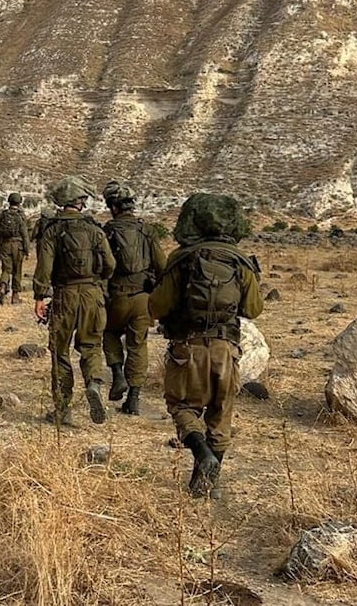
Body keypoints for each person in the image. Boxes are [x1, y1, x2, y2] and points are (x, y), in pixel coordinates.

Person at [148, 193, 263, 498]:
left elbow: (158, 307)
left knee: (182, 406)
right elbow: (253, 309)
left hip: (188, 347)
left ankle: (201, 452)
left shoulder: (182, 258)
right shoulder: (241, 261)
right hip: (226, 349)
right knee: (220, 414)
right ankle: (206, 483)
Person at [33, 176, 115, 426]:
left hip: (64, 295)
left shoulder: (52, 231)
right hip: (92, 295)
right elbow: (110, 264)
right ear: (80, 202)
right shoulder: (95, 230)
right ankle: (93, 383)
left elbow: (44, 268)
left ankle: (62, 409)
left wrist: (39, 296)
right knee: (91, 346)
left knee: (59, 352)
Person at [101, 182, 166, 415]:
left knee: (109, 334)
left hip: (116, 298)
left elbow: (102, 267)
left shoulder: (107, 231)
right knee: (138, 345)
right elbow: (162, 266)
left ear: (114, 207)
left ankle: (117, 374)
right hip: (142, 299)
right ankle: (134, 399)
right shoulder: (146, 230)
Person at [0, 192, 31, 305]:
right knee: (17, 271)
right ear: (19, 202)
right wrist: (27, 250)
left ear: (9, 201)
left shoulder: (2, 216)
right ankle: (15, 296)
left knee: (6, 270)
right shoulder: (21, 216)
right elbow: (25, 235)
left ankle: (3, 288)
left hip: (5, 245)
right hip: (18, 246)